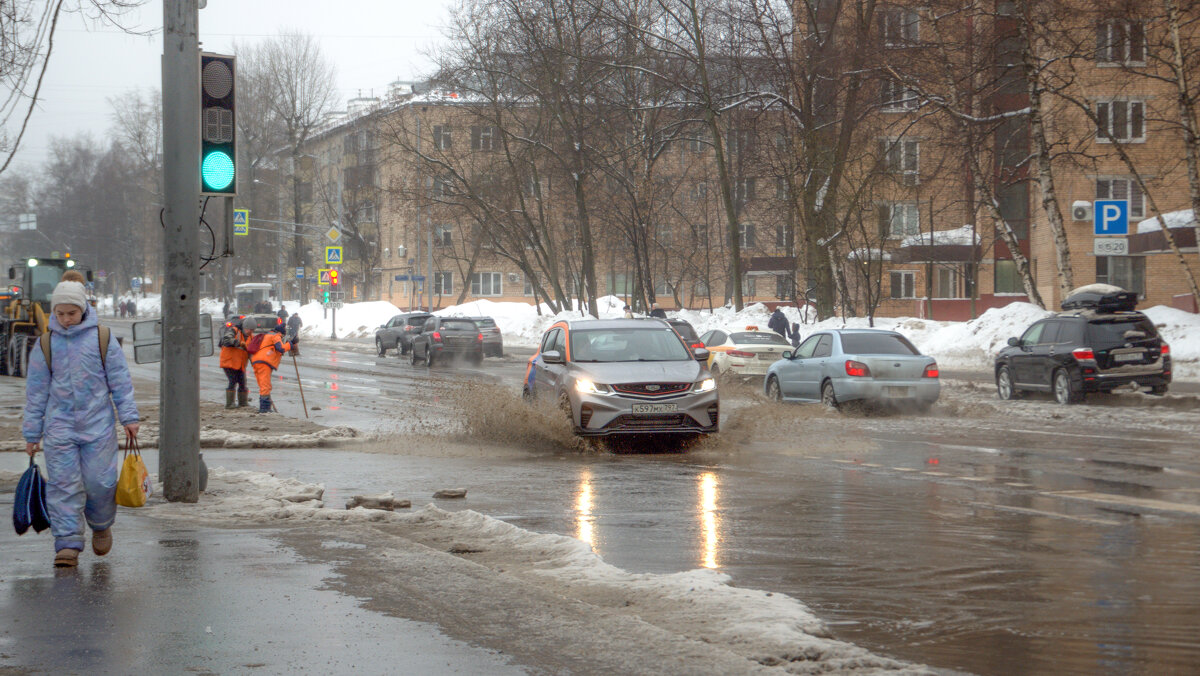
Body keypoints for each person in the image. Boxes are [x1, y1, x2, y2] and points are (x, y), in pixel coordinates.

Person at [23, 281, 139, 568]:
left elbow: (120, 382)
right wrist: (32, 432)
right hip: (59, 427)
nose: (65, 319)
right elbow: (36, 391)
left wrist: (129, 417)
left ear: (83, 309)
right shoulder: (45, 344)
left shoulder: (103, 338)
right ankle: (67, 543)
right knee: (63, 485)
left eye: (71, 313)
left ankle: (100, 524)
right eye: (60, 314)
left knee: (99, 482)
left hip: (97, 425)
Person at [249, 325, 292, 413]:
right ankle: (264, 409)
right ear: (281, 333)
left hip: (256, 361)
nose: (282, 338)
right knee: (265, 386)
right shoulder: (276, 336)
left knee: (263, 385)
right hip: (264, 362)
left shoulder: (266, 336)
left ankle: (265, 408)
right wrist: (290, 344)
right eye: (282, 336)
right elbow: (281, 348)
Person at [219, 316, 251, 409]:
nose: (250, 332)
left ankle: (243, 403)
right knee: (232, 381)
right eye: (249, 329)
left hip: (240, 363)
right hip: (229, 361)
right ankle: (230, 404)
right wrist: (238, 343)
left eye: (252, 330)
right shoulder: (234, 331)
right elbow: (226, 340)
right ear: (244, 327)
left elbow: (250, 351)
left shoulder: (250, 336)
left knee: (242, 382)